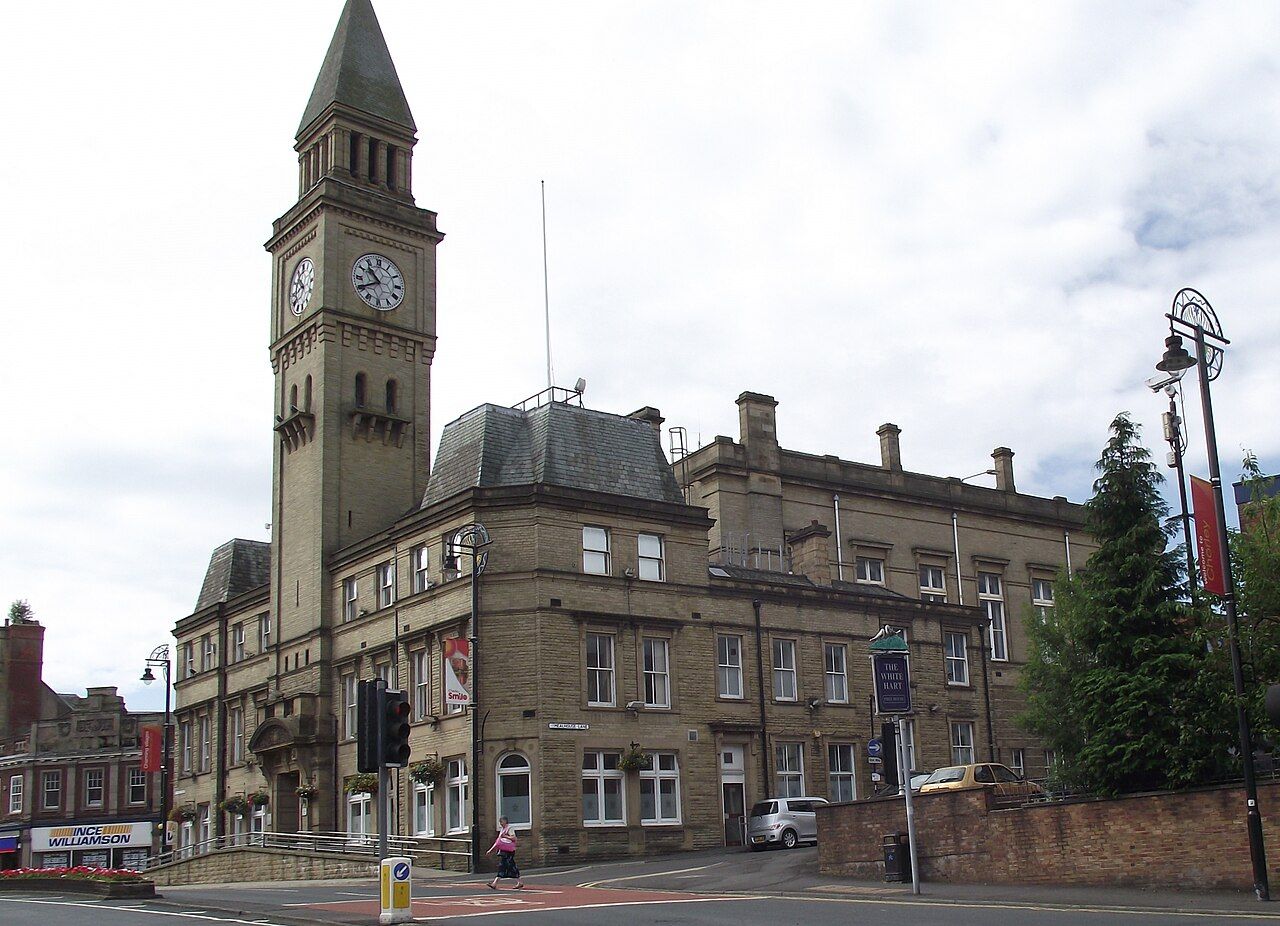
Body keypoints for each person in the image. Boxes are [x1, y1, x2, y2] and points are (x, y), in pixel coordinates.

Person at [486, 816, 523, 890]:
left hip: (509, 852)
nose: (500, 824)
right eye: (500, 822)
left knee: (504, 866)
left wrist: (505, 836)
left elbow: (514, 838)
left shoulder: (510, 828)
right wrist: (490, 850)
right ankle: (519, 882)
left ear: (505, 821)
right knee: (510, 866)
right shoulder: (502, 830)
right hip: (504, 852)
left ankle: (495, 883)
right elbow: (498, 842)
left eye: (501, 822)